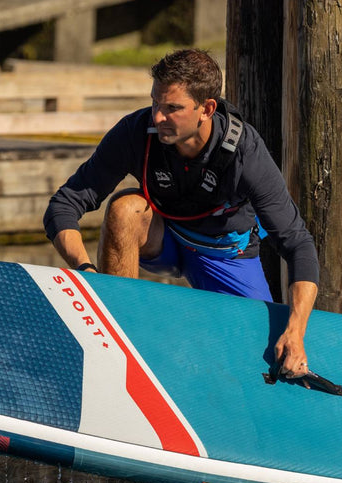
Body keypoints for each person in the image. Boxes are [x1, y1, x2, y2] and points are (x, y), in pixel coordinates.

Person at [43, 48, 319, 378]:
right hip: (165, 239)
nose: (158, 117)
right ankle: (114, 332)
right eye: (155, 103)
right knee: (125, 208)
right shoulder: (135, 132)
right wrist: (85, 269)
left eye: (172, 108)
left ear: (207, 109)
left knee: (260, 357)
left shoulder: (246, 153)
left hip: (225, 255)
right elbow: (63, 205)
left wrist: (296, 331)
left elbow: (298, 245)